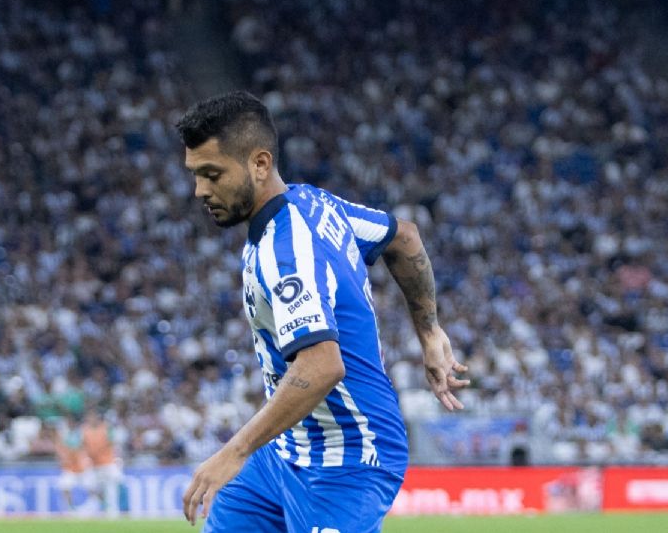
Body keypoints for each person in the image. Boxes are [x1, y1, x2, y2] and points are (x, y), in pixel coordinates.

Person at [175, 91, 470, 532]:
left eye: (212, 175)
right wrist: (429, 333)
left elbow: (322, 364)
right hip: (287, 450)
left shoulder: (287, 249)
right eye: (196, 175)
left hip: (350, 454)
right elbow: (403, 237)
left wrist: (233, 450)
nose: (200, 190)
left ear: (259, 164)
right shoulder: (310, 203)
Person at [81, 409, 122, 516]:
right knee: (89, 485)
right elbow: (83, 445)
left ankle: (113, 512)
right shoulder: (85, 430)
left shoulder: (106, 428)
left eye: (93, 417)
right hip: (94, 465)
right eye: (89, 417)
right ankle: (97, 506)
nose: (91, 420)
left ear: (97, 418)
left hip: (107, 463)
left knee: (111, 487)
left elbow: (111, 443)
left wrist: (96, 452)